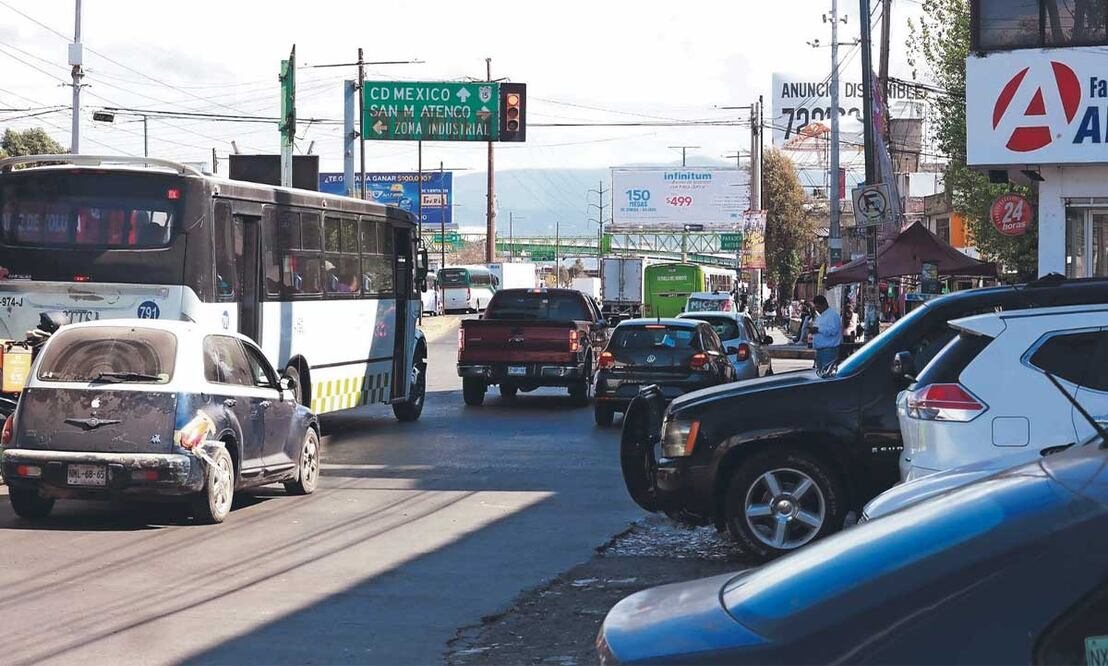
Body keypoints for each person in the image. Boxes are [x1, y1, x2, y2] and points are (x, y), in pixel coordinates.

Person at [809, 294, 843, 372]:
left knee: (827, 373)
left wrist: (818, 330)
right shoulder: (820, 316)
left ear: (824, 304)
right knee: (820, 373)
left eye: (818, 307)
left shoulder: (833, 315)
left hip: (829, 350)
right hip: (820, 350)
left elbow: (833, 331)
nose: (817, 310)